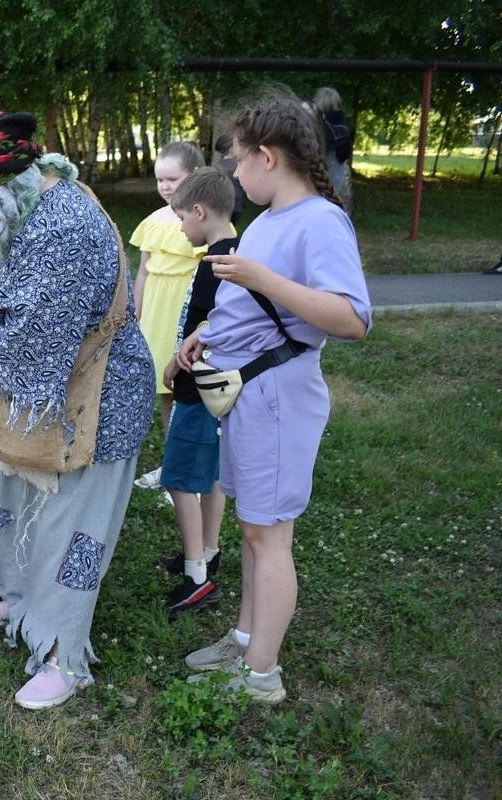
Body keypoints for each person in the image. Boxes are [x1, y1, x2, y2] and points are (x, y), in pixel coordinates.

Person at [0, 110, 154, 709]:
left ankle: (63, 655)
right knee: (24, 499)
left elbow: (43, 348)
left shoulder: (63, 227)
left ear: (5, 182)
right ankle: (22, 600)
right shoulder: (29, 201)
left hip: (95, 400)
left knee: (73, 525)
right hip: (45, 404)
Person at [176, 96, 371, 704]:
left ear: (267, 156)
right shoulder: (269, 220)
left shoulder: (318, 220)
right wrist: (206, 333)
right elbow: (253, 309)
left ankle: (261, 675)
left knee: (270, 537)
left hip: (279, 398)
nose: (234, 174)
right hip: (250, 398)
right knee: (253, 530)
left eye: (238, 160)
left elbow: (352, 317)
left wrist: (263, 280)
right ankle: (244, 638)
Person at [158, 167, 239, 614]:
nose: (180, 226)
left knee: (178, 478)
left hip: (198, 389)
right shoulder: (236, 253)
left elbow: (209, 329)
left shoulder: (215, 265)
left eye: (181, 218)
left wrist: (175, 361)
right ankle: (207, 551)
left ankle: (196, 578)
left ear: (200, 211)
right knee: (210, 475)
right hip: (220, 391)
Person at [129, 141, 206, 491]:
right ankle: (170, 464)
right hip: (155, 319)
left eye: (172, 179)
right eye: (160, 180)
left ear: (195, 177)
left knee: (189, 394)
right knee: (164, 389)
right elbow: (144, 272)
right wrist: (136, 313)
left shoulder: (201, 221)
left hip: (184, 318)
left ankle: (189, 470)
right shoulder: (153, 221)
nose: (165, 186)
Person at [313, 87, 353, 211]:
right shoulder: (342, 126)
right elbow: (344, 155)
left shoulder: (319, 126)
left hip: (321, 178)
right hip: (339, 177)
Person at [213, 134, 246, 226]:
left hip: (220, 203)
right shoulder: (238, 164)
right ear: (230, 148)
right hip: (236, 203)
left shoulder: (217, 165)